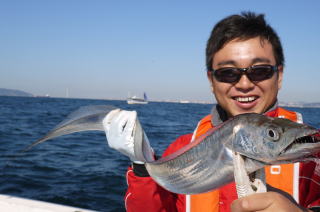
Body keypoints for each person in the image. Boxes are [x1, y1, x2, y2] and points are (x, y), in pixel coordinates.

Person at [104, 12, 320, 212]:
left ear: (279, 75)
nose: (244, 84)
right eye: (228, 73)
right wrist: (141, 164)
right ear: (211, 79)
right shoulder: (181, 149)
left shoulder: (313, 149)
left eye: (260, 70)